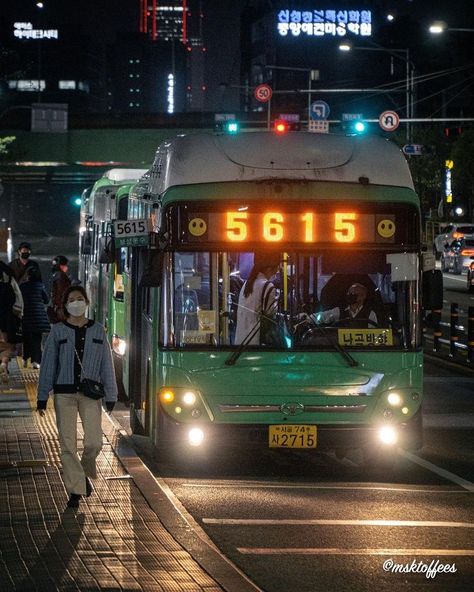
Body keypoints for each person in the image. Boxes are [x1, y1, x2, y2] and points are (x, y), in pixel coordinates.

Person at [36, 285, 118, 509]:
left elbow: (107, 366)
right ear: (65, 305)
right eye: (71, 300)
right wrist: (42, 396)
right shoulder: (58, 331)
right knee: (67, 444)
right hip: (64, 394)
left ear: (87, 302)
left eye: (80, 299)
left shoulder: (98, 330)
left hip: (91, 394)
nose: (76, 303)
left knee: (94, 442)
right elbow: (48, 366)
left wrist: (111, 395)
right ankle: (75, 490)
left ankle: (81, 474)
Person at [234, 253, 280, 345]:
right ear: (268, 269)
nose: (275, 274)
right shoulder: (268, 286)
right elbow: (271, 314)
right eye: (275, 271)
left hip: (240, 341)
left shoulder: (247, 284)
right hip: (257, 342)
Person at [19, 267, 50, 369]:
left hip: (26, 316)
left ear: (28, 276)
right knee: (36, 340)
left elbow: (18, 300)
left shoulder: (22, 286)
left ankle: (24, 359)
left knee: (26, 338)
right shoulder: (40, 286)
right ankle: (36, 361)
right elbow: (46, 300)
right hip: (38, 317)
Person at [310, 283, 378, 328]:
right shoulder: (339, 311)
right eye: (348, 293)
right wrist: (308, 318)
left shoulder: (370, 314)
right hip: (340, 348)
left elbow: (373, 335)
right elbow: (322, 316)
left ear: (363, 296)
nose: (349, 295)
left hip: (360, 349)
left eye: (353, 293)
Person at [0, 261, 24, 382]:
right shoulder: (7, 272)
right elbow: (17, 294)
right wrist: (19, 313)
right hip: (6, 316)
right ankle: (4, 364)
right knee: (6, 344)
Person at [48, 255, 72, 323]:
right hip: (59, 309)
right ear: (61, 266)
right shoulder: (61, 276)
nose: (67, 267)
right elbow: (61, 293)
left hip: (54, 308)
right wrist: (61, 308)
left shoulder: (55, 275)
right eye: (65, 265)